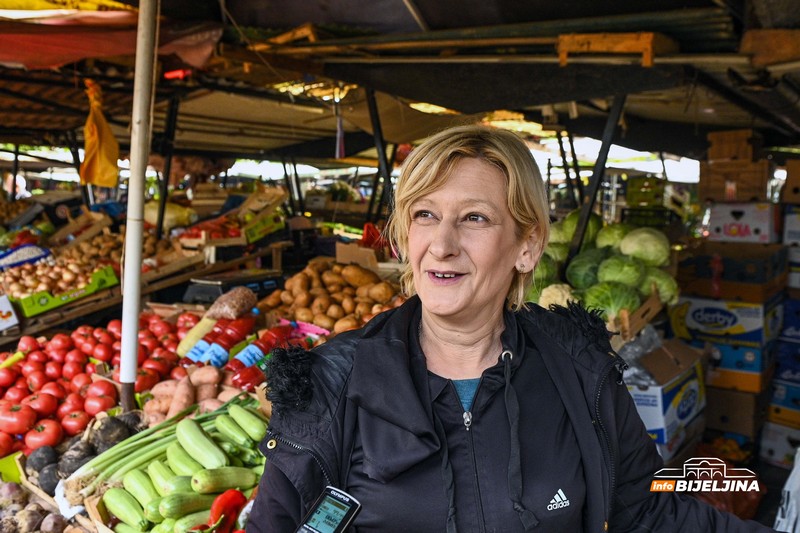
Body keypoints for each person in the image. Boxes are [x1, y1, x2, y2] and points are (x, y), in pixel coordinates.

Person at [246, 125, 775, 532]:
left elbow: (646, 516)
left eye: (474, 218)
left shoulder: (578, 371)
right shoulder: (333, 383)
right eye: (426, 215)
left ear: (527, 247)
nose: (443, 243)